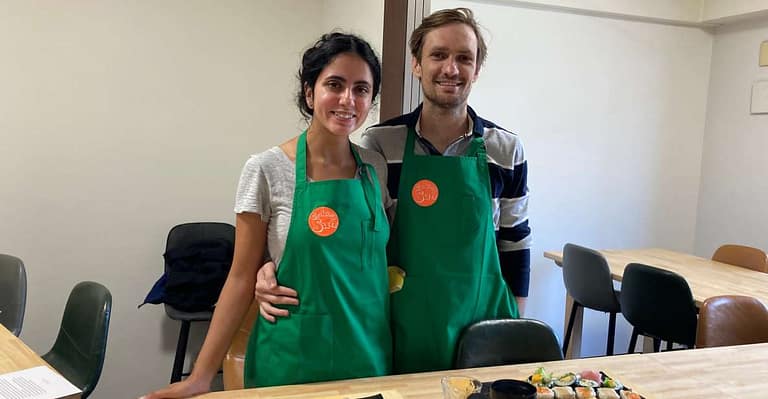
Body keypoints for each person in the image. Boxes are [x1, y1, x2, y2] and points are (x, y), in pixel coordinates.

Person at [256, 7, 531, 374]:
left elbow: (515, 241)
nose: (451, 68)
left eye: (464, 58)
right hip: (402, 327)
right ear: (416, 64)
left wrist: (514, 328)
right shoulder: (381, 146)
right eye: (438, 55)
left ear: (476, 69)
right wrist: (268, 268)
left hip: (480, 330)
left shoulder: (506, 150)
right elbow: (354, 241)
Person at [140, 32, 392, 398]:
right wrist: (200, 377)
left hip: (369, 358)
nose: (347, 100)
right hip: (293, 359)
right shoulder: (267, 169)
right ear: (310, 92)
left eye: (361, 89)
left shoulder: (374, 167)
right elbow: (240, 278)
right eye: (334, 85)